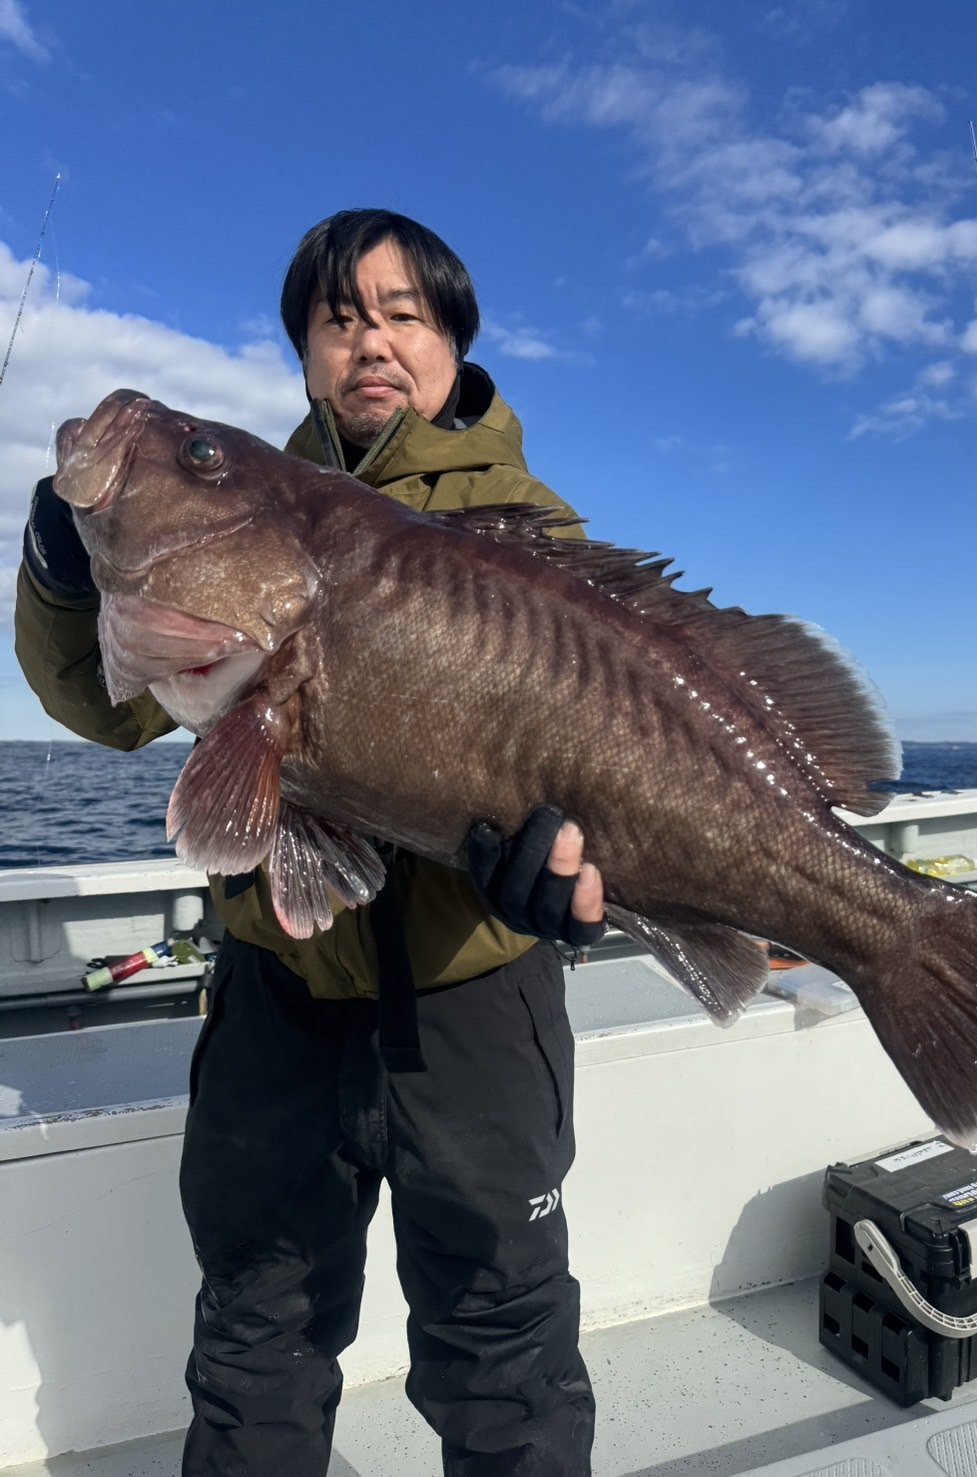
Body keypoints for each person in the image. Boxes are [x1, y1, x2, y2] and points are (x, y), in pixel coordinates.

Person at [14, 208, 606, 1476]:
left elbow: (601, 745)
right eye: (338, 320)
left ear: (453, 344)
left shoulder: (528, 525)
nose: (369, 342)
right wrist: (63, 570)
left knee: (503, 1342)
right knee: (255, 1334)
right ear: (302, 356)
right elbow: (107, 710)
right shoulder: (241, 503)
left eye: (402, 314)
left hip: (474, 1001)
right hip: (279, 999)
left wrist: (578, 876)